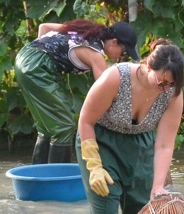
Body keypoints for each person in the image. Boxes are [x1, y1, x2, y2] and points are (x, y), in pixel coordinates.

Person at [76, 39, 184, 214]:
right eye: (162, 82)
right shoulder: (116, 77)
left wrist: (158, 186)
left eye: (172, 84)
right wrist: (94, 166)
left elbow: (165, 145)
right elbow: (85, 121)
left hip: (140, 145)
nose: (166, 89)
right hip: (101, 141)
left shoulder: (173, 94)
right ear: (149, 67)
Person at [14, 20, 139, 165]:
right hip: (37, 67)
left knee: (47, 126)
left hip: (25, 57)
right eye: (123, 52)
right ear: (114, 42)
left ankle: (38, 175)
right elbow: (105, 91)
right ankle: (57, 180)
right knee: (64, 125)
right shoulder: (96, 55)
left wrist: (44, 49)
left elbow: (45, 27)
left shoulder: (84, 32)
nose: (120, 57)